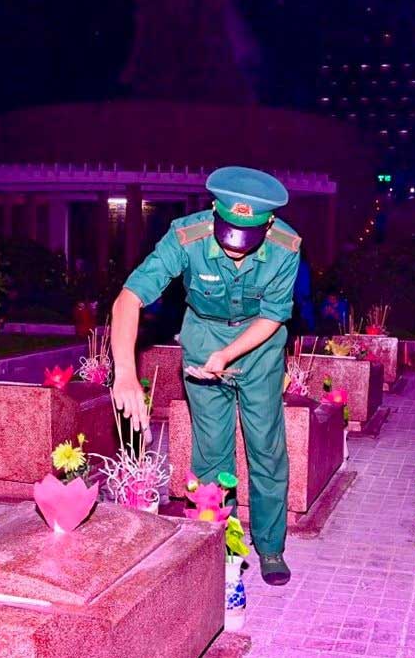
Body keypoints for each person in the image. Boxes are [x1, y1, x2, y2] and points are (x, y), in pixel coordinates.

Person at [110, 166, 300, 586]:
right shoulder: (185, 236)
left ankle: (270, 547)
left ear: (268, 224)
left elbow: (272, 316)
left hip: (260, 346)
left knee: (266, 446)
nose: (235, 248)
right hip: (203, 334)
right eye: (228, 231)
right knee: (211, 448)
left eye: (247, 238)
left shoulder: (286, 248)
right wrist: (124, 371)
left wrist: (229, 354)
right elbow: (129, 297)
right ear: (214, 210)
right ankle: (214, 538)